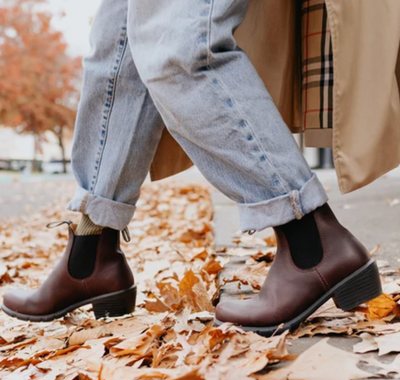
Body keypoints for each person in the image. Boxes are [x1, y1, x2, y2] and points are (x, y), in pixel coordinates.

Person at [1, 0, 383, 335]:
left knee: (178, 45)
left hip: (314, 246)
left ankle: (312, 243)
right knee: (115, 58)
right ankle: (90, 255)